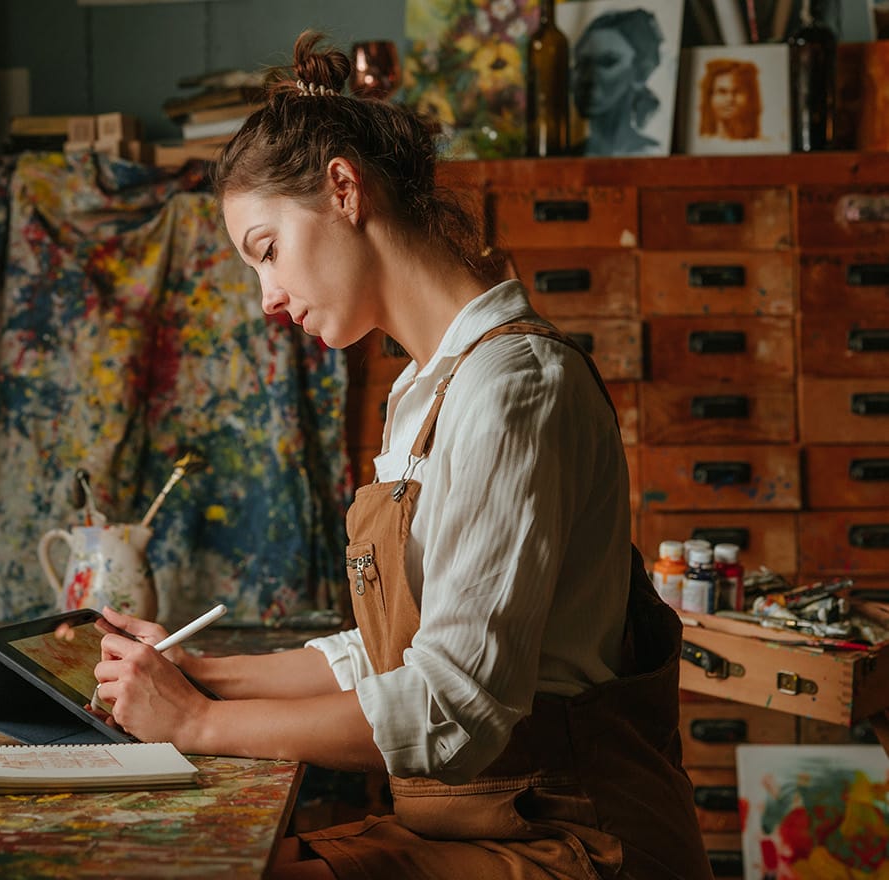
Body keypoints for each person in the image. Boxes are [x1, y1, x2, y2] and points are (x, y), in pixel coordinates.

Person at [88, 31, 710, 879]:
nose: (267, 298)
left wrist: (197, 723)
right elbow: (384, 655)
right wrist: (200, 674)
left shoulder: (514, 387)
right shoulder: (424, 389)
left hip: (574, 839)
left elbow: (455, 707)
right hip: (473, 826)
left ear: (343, 189)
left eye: (267, 250)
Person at [571, 8, 666, 156]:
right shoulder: (569, 155)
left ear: (640, 71)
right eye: (582, 64)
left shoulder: (651, 152)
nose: (588, 78)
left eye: (607, 62)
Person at [699, 59, 762, 140]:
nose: (730, 99)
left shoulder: (762, 144)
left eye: (737, 91)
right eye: (722, 92)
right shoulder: (702, 142)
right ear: (710, 97)